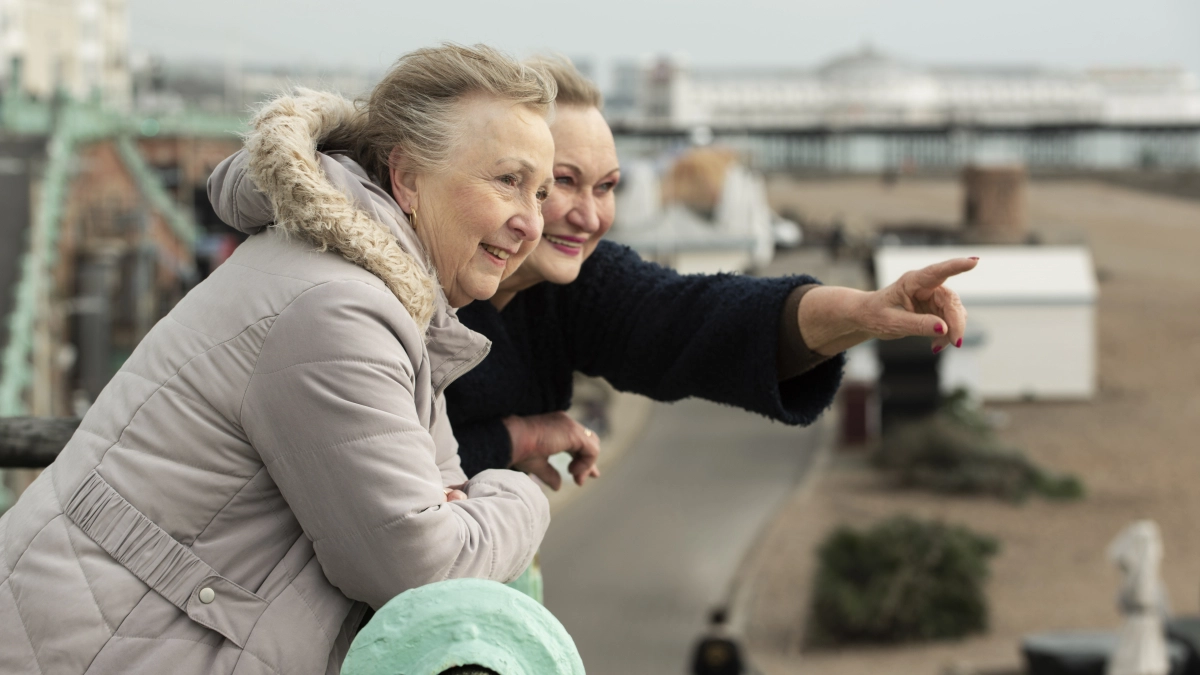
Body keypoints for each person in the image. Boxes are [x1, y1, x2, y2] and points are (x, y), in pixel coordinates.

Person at [0, 44, 558, 675]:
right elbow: (424, 571)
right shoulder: (338, 309)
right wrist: (522, 494)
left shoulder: (365, 289)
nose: (531, 224)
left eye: (541, 192)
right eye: (507, 181)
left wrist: (462, 507)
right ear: (405, 177)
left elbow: (440, 503)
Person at [444, 56, 976, 487]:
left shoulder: (575, 284)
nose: (590, 216)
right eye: (563, 180)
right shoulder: (405, 290)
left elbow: (694, 319)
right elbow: (386, 469)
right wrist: (520, 438)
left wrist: (863, 311)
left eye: (607, 187)